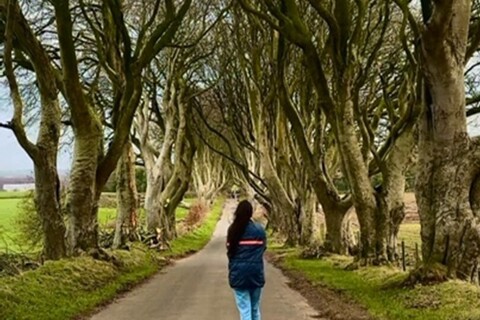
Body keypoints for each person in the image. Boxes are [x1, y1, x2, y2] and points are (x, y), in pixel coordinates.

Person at [227, 200, 267, 320]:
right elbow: (263, 248)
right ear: (250, 213)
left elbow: (230, 252)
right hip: (255, 273)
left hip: (238, 274)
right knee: (255, 308)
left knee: (245, 310)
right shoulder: (259, 230)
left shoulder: (233, 230)